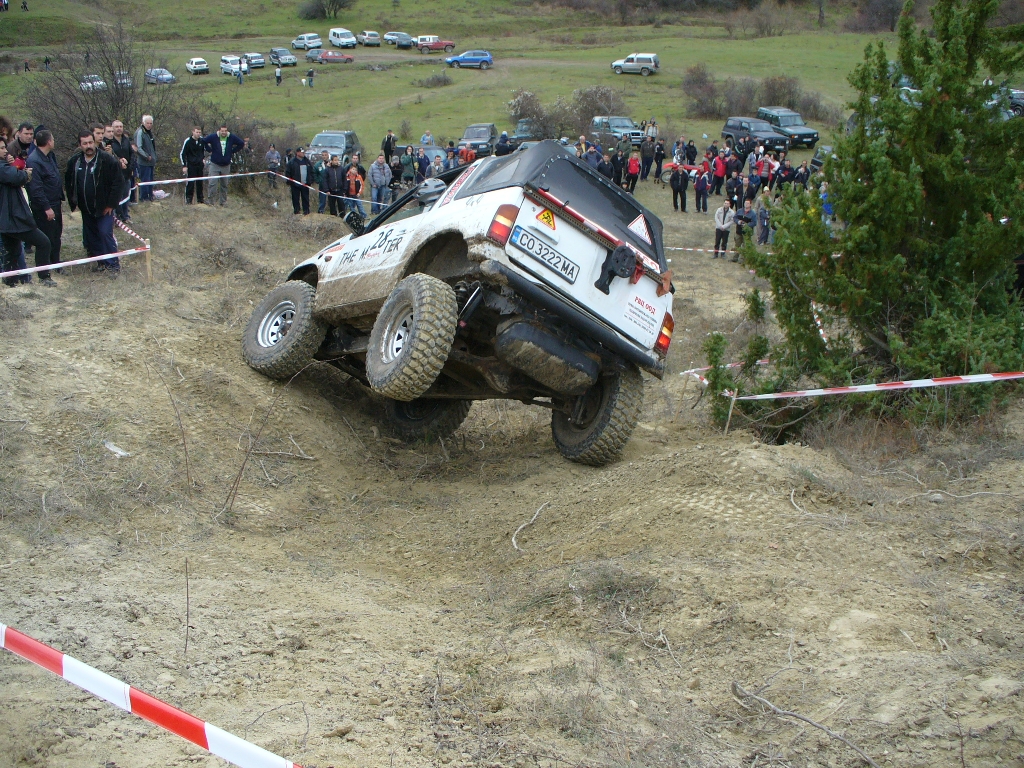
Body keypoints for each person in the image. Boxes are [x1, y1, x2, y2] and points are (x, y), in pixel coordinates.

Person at [64, 129, 123, 272]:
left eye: (90, 142)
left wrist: (111, 204)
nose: (89, 146)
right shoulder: (75, 161)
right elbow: (69, 182)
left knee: (104, 233)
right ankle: (101, 263)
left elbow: (118, 182)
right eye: (85, 143)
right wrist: (73, 202)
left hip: (104, 207)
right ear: (80, 145)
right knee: (92, 236)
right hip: (85, 207)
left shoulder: (107, 160)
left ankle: (113, 265)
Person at [0, 138, 50, 286]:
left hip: (7, 218)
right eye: (1, 148)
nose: (5, 151)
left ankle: (10, 282)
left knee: (12, 251)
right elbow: (15, 176)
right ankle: (44, 277)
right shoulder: (2, 167)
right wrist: (25, 174)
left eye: (5, 147)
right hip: (14, 217)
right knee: (43, 242)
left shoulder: (4, 166)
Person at [25, 129, 62, 282]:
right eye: (52, 139)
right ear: (48, 142)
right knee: (46, 239)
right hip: (44, 207)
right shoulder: (34, 160)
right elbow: (36, 188)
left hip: (55, 202)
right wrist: (46, 207)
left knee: (56, 236)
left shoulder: (49, 157)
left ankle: (55, 263)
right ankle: (45, 272)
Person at [202, 125, 244, 206]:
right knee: (212, 183)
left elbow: (241, 143)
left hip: (226, 165)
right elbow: (204, 141)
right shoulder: (213, 136)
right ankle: (211, 201)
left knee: (224, 185)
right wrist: (209, 150)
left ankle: (223, 202)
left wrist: (232, 151)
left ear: (227, 131)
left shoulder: (231, 137)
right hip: (214, 164)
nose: (224, 132)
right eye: (222, 131)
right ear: (219, 131)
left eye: (225, 131)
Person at [178, 126, 206, 205]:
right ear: (193, 132)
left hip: (199, 165)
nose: (198, 134)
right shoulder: (188, 141)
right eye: (197, 132)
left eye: (199, 132)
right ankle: (188, 200)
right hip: (191, 165)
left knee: (200, 183)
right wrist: (184, 165)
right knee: (190, 183)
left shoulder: (202, 141)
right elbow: (182, 154)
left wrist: (203, 159)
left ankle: (200, 200)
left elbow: (203, 151)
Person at [133, 115, 156, 202]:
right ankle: (144, 198)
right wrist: (147, 156)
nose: (149, 125)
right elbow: (138, 148)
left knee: (150, 180)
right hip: (143, 162)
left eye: (151, 123)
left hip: (151, 162)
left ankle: (150, 197)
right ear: (143, 123)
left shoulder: (149, 132)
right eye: (147, 123)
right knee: (145, 180)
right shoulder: (140, 132)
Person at [286, 147, 312, 214]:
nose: (303, 153)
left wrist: (310, 180)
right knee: (295, 198)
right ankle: (297, 211)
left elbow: (311, 171)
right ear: (297, 153)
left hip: (305, 184)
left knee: (305, 198)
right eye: (301, 152)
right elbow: (288, 173)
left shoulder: (307, 161)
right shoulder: (292, 162)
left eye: (303, 152)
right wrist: (290, 182)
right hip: (295, 184)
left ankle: (306, 211)